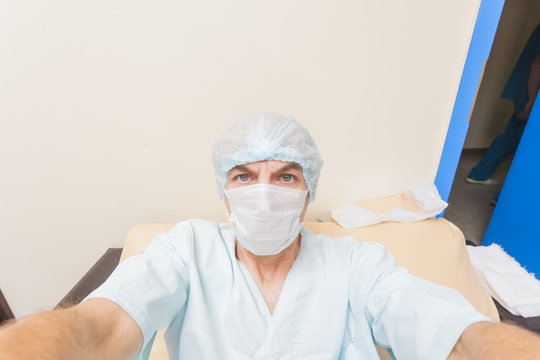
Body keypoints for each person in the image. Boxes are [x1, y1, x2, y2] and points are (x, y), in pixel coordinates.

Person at [1, 113, 540, 359]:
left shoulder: (356, 263)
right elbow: (98, 328)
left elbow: (453, 331)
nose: (265, 193)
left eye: (285, 176)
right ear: (224, 193)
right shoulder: (187, 250)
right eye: (244, 176)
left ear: (308, 193)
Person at [466, 22, 540, 187]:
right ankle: (503, 194)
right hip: (531, 93)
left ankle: (479, 174)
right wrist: (532, 100)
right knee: (525, 144)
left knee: (512, 136)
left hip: (526, 90)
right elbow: (537, 66)